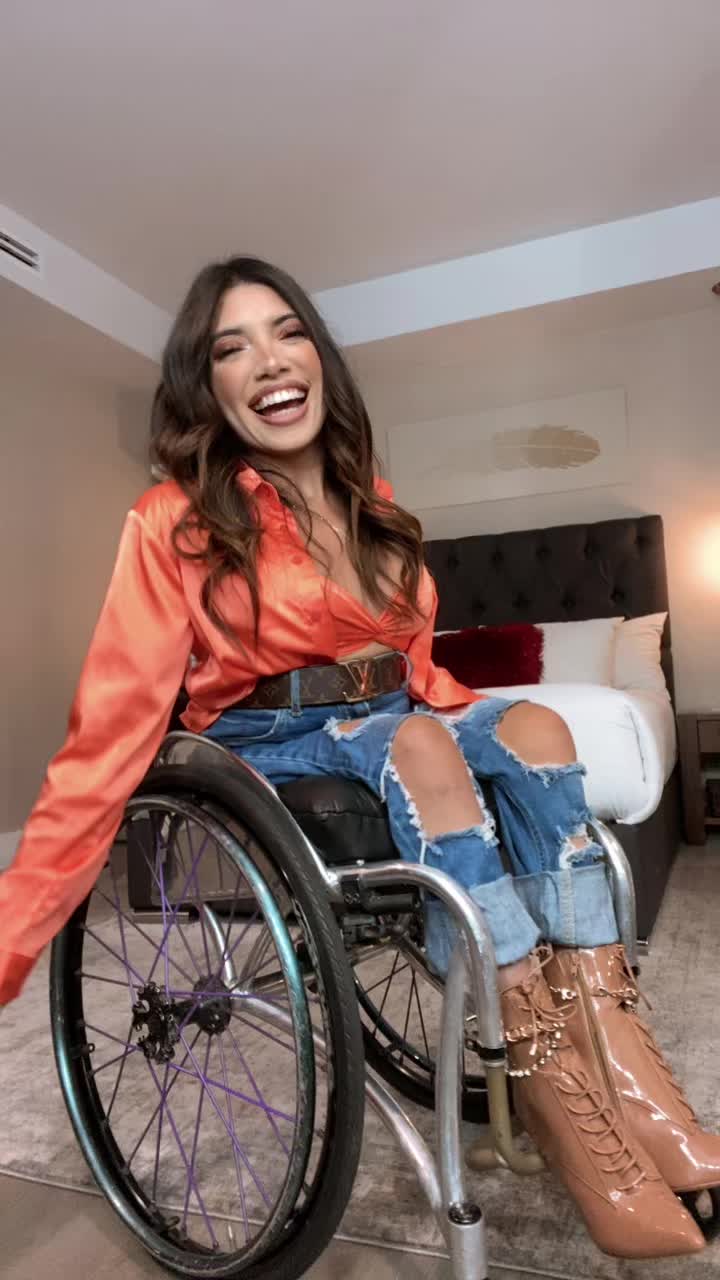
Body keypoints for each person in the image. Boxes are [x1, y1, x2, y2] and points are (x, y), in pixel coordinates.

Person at [0, 256, 717, 1260]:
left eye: (287, 331)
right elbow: (111, 724)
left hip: (391, 711)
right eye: (231, 347)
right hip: (269, 738)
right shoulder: (175, 518)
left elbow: (412, 664)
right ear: (208, 385)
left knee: (538, 729)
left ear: (319, 358)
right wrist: (14, 932)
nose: (268, 360)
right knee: (420, 739)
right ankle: (555, 1091)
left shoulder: (367, 498)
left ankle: (624, 1067)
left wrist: (480, 725)